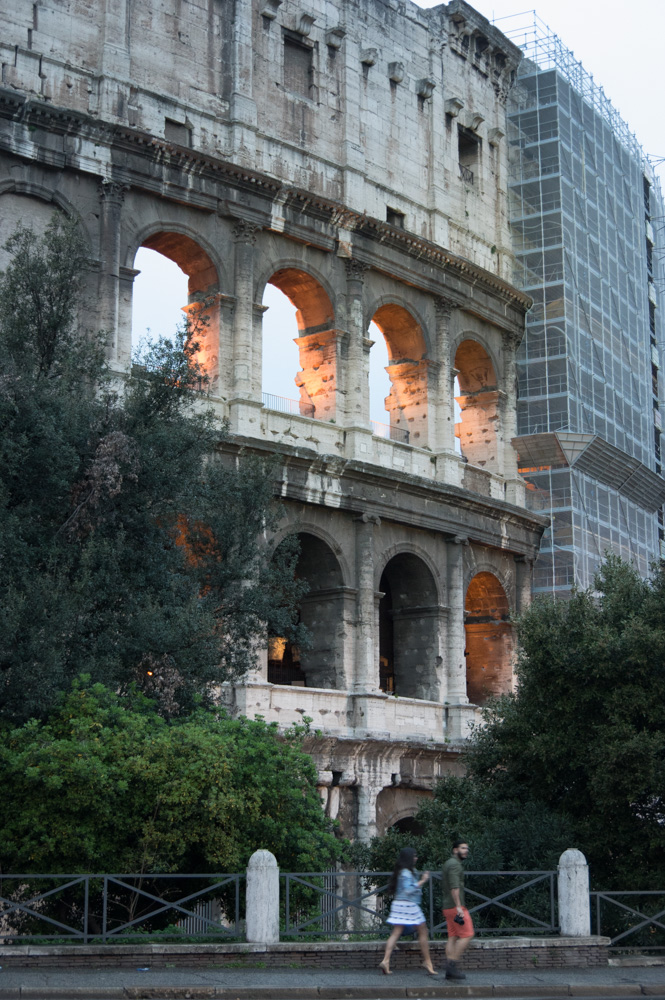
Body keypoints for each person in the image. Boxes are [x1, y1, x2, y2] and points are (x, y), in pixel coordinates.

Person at [379, 846, 437, 976]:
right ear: (409, 858)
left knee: (396, 932)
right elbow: (408, 890)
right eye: (414, 856)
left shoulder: (404, 871)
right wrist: (422, 881)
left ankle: (386, 960)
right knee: (423, 931)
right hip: (408, 906)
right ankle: (427, 962)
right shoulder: (406, 873)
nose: (416, 858)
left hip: (400, 905)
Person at [441, 838, 475, 980]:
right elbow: (455, 887)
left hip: (447, 906)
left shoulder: (448, 863)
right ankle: (451, 965)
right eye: (462, 848)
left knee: (453, 937)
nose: (465, 851)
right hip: (455, 907)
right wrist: (459, 907)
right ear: (455, 850)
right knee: (468, 934)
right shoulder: (455, 865)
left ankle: (450, 970)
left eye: (466, 848)